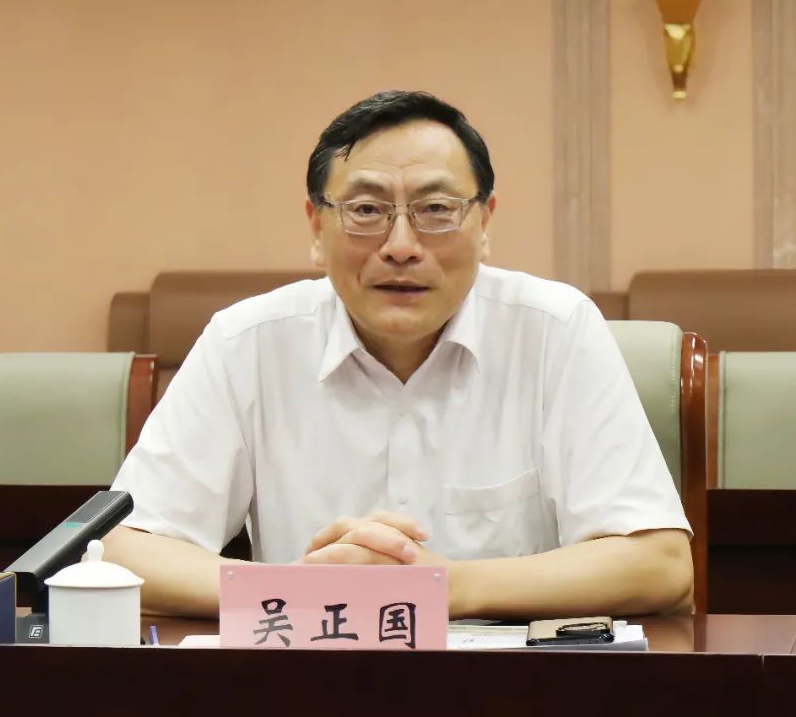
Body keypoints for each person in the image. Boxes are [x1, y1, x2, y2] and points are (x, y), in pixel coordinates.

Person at [104, 90, 693, 619]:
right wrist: (297, 592)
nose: (402, 247)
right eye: (366, 211)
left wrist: (442, 588)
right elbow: (124, 550)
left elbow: (660, 566)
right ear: (316, 229)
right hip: (309, 676)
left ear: (485, 223)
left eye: (436, 210)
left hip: (506, 687)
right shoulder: (247, 342)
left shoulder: (556, 331)